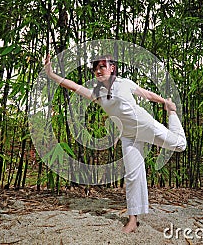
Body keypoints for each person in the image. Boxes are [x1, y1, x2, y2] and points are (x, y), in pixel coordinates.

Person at [44, 54, 186, 233]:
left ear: (112, 68)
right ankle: (133, 220)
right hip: (128, 135)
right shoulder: (98, 93)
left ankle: (173, 114)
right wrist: (52, 75)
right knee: (133, 175)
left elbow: (147, 95)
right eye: (95, 68)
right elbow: (75, 87)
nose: (98, 71)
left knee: (180, 145)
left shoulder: (124, 83)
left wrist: (166, 103)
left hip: (145, 125)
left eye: (102, 67)